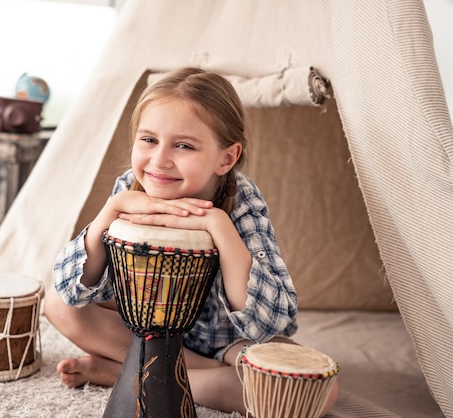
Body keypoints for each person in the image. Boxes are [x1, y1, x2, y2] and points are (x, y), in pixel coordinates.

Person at [44, 66, 339, 415]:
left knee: (314, 391)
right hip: (147, 330)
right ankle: (171, 374)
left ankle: (132, 376)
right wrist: (111, 211)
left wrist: (218, 225)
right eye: (149, 140)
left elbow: (270, 321)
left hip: (226, 340)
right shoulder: (130, 188)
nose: (159, 160)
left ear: (226, 158)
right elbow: (73, 288)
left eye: (183, 145)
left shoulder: (242, 201)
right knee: (57, 304)